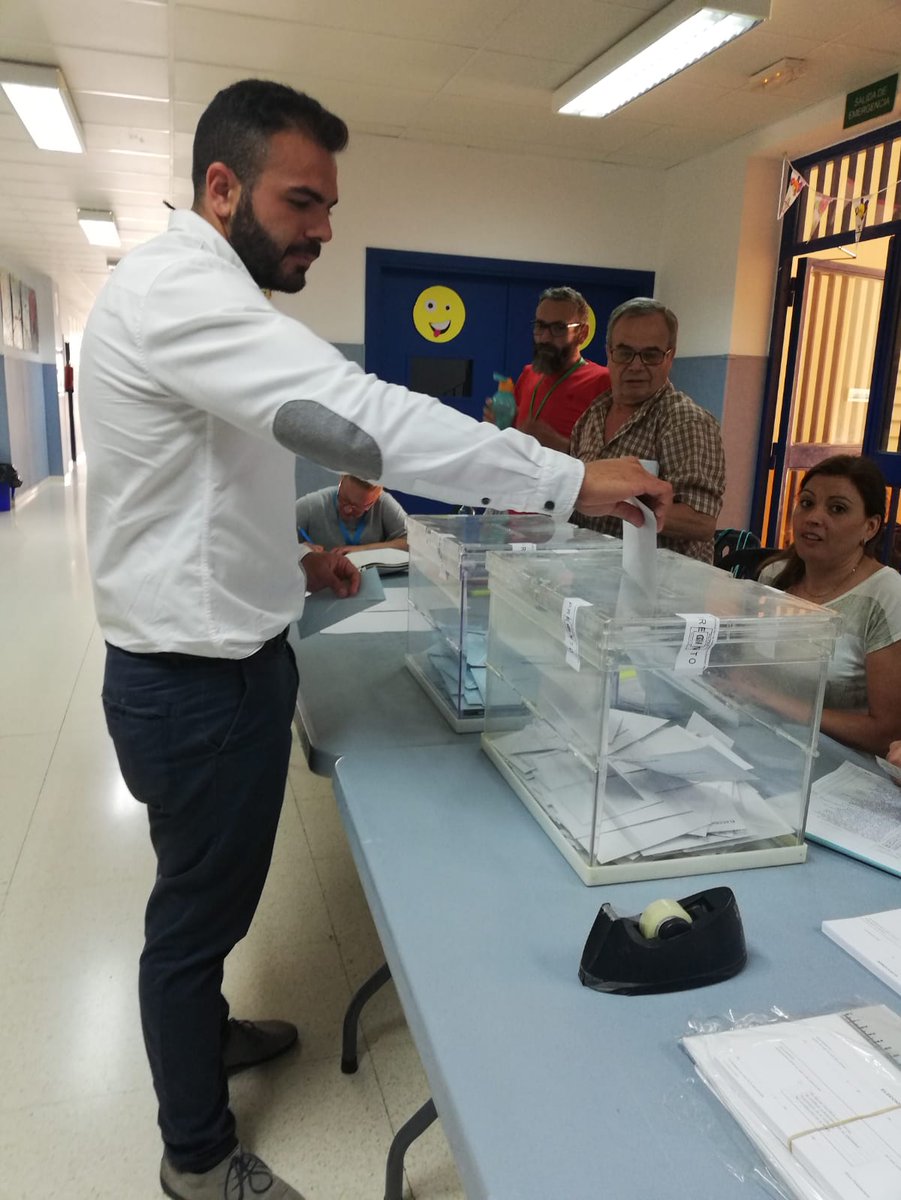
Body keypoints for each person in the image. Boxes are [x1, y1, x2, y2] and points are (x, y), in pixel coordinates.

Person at [78, 79, 671, 1200]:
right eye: (303, 201)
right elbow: (358, 421)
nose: (323, 228)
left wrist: (289, 561)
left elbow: (203, 480)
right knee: (191, 920)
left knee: (198, 899)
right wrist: (565, 477)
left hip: (211, 654)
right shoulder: (181, 295)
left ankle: (202, 1039)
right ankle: (197, 1158)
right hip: (196, 685)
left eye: (330, 205)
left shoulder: (202, 297)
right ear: (221, 187)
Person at [757, 455, 901, 756]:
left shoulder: (885, 592)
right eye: (807, 503)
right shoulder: (774, 576)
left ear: (870, 527)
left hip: (841, 763)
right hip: (764, 738)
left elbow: (886, 732)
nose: (813, 518)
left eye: (837, 509)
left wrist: (779, 704)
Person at [569, 297, 725, 562]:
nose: (636, 365)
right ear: (609, 353)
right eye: (625, 352)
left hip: (659, 591)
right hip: (590, 578)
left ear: (670, 357)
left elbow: (702, 522)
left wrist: (624, 500)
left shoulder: (685, 421)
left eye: (650, 355)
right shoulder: (593, 414)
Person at [483, 286, 610, 452]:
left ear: (582, 333)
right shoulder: (529, 373)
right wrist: (498, 427)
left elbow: (613, 458)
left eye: (558, 328)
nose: (545, 337)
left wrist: (560, 445)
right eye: (540, 326)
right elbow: (513, 435)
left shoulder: (603, 382)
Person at [295, 474, 407, 553]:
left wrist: (363, 550)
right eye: (344, 499)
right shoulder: (312, 505)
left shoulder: (383, 503)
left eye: (357, 507)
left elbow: (413, 544)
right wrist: (301, 550)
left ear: (376, 498)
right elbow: (278, 537)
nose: (347, 510)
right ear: (341, 479)